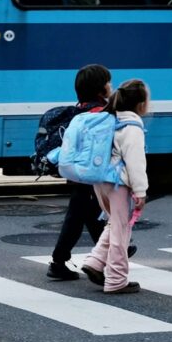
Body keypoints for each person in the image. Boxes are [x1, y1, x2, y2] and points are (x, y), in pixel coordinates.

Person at [46, 64, 136, 280]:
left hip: (78, 172)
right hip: (95, 175)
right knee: (93, 215)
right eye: (109, 83)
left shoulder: (79, 112)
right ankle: (98, 260)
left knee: (81, 215)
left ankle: (63, 262)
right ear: (102, 90)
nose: (111, 87)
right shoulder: (101, 115)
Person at [79, 79, 149, 293]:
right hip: (118, 183)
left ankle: (95, 261)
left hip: (100, 181)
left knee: (114, 224)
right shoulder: (132, 126)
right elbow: (135, 162)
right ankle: (116, 279)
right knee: (121, 229)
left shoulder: (108, 120)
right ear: (141, 104)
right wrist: (140, 191)